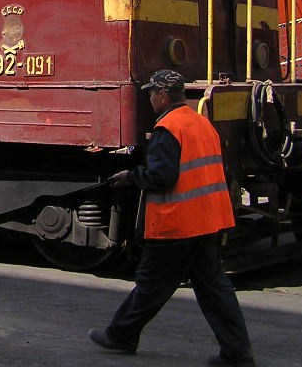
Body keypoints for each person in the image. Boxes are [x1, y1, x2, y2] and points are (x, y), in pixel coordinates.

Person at [88, 69, 254, 367]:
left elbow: (161, 177)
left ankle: (121, 335)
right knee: (213, 288)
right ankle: (237, 351)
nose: (150, 99)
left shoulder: (168, 128)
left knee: (152, 284)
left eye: (152, 94)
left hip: (178, 224)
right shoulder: (202, 123)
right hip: (208, 221)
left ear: (162, 96)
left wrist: (131, 176)